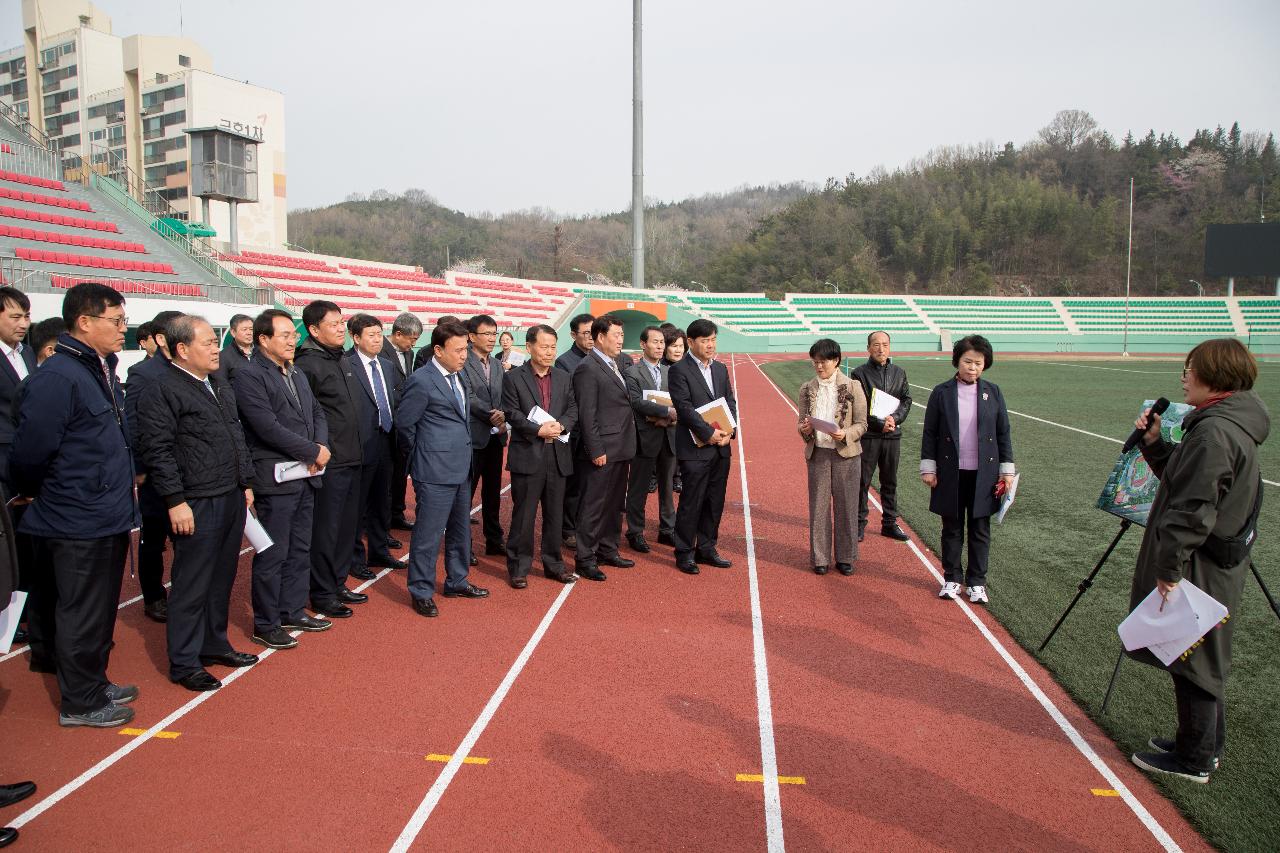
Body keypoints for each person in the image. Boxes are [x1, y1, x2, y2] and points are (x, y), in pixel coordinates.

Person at [1128, 339, 1269, 784]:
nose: (1183, 376)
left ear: (1215, 376)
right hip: (1213, 559)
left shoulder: (1214, 432)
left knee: (1194, 657)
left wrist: (1169, 570)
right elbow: (1184, 482)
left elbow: (1191, 509)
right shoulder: (1223, 424)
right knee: (1196, 653)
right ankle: (1202, 744)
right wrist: (1154, 444)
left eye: (1191, 369)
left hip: (1200, 565)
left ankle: (1195, 758)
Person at [10, 282, 138, 727]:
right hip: (75, 516)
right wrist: (43, 490)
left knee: (99, 608)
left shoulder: (96, 369)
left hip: (105, 512)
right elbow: (30, 452)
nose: (125, 330)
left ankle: (92, 681)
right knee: (80, 610)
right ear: (84, 322)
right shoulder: (59, 377)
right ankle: (80, 702)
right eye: (117, 322)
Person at [136, 316, 257, 692]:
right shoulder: (162, 388)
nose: (215, 348)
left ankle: (214, 643)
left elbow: (236, 434)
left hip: (230, 493)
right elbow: (157, 450)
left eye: (215, 341)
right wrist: (175, 501)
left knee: (221, 577)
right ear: (182, 349)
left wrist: (246, 482)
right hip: (196, 500)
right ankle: (184, 661)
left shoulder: (217, 384)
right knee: (191, 583)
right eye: (207, 342)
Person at [233, 309, 333, 650]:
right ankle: (266, 622)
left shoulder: (297, 372)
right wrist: (311, 450)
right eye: (286, 335)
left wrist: (320, 447)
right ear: (264, 339)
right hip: (276, 478)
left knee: (300, 547)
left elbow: (316, 411)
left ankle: (292, 609)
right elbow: (266, 426)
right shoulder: (249, 376)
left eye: (295, 335)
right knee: (273, 551)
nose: (293, 340)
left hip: (305, 473)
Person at [397, 320, 489, 616]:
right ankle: (421, 590)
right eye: (459, 350)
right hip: (433, 470)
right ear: (438, 350)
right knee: (428, 534)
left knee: (461, 530)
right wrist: (422, 457)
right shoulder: (422, 380)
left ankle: (457, 580)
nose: (464, 355)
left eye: (466, 349)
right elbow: (405, 424)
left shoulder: (458, 376)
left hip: (461, 467)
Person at [919, 334, 1014, 604]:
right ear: (957, 361)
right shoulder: (941, 392)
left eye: (978, 363)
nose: (972, 368)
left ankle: (976, 582)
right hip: (951, 471)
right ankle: (951, 578)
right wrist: (929, 467)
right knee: (951, 527)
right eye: (967, 361)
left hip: (984, 474)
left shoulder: (993, 392)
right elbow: (930, 433)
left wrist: (1006, 470)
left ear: (985, 365)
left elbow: (1003, 433)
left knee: (980, 528)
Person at [295, 300, 368, 619]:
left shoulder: (342, 359)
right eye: (334, 324)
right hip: (330, 461)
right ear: (313, 329)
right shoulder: (308, 364)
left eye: (343, 322)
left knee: (345, 528)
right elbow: (306, 415)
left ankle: (337, 582)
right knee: (325, 530)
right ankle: (321, 591)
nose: (341, 328)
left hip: (354, 457)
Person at [501, 325, 578, 588]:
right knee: (524, 515)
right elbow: (511, 412)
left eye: (553, 347)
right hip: (528, 454)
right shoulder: (513, 378)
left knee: (555, 515)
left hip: (557, 454)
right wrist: (538, 429)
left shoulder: (564, 377)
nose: (549, 352)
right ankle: (519, 567)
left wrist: (561, 426)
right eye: (544, 346)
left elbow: (572, 408)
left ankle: (554, 564)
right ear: (530, 346)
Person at [124, 310, 186, 624]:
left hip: (188, 473)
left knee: (186, 541)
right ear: (163, 338)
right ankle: (153, 597)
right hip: (157, 474)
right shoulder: (143, 374)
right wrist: (141, 467)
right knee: (154, 538)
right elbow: (133, 424)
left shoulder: (190, 370)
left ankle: (185, 595)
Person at [570, 314, 638, 581]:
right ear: (600, 337)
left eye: (622, 336)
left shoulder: (615, 364)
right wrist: (595, 449)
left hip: (621, 446)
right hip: (602, 450)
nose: (621, 340)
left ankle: (608, 549)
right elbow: (587, 414)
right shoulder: (588, 367)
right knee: (593, 505)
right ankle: (585, 558)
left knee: (613, 504)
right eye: (617, 335)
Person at [669, 320, 737, 575]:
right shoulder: (679, 370)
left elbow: (729, 401)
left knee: (714, 501)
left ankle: (707, 548)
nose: (710, 345)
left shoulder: (720, 369)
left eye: (713, 340)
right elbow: (684, 408)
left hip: (721, 447)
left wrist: (729, 431)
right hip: (695, 449)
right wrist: (709, 433)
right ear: (690, 342)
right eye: (705, 340)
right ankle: (684, 552)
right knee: (692, 501)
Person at [798, 338, 868, 575]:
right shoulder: (807, 389)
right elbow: (801, 423)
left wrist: (844, 434)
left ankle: (846, 557)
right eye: (815, 362)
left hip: (846, 456)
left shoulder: (853, 386)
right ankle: (820, 558)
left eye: (823, 361)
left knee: (847, 506)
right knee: (818, 508)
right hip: (818, 453)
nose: (819, 366)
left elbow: (862, 424)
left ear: (836, 360)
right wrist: (805, 430)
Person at [345, 313, 406, 580]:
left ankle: (379, 550)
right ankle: (355, 558)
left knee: (383, 500)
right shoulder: (345, 365)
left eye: (380, 334)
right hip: (360, 444)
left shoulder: (387, 365)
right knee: (358, 507)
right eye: (371, 335)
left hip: (386, 439)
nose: (377, 339)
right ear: (356, 338)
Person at [851, 330, 912, 542]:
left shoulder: (899, 372)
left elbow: (906, 400)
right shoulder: (859, 374)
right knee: (862, 482)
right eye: (876, 345)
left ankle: (889, 523)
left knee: (890, 481)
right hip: (869, 436)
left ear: (890, 347)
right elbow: (859, 407)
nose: (881, 349)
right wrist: (879, 424)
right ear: (868, 348)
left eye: (885, 344)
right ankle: (858, 524)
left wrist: (894, 419)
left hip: (892, 436)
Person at [624, 325, 678, 552]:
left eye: (662, 342)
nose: (659, 346)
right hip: (644, 437)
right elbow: (636, 402)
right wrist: (665, 412)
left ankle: (667, 530)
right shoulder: (632, 373)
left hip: (669, 436)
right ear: (643, 344)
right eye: (655, 342)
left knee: (667, 487)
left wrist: (672, 415)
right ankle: (635, 532)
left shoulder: (670, 372)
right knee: (638, 487)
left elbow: (680, 401)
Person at [463, 314, 507, 558]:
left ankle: (494, 539)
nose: (492, 339)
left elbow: (504, 397)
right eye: (486, 334)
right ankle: (464, 543)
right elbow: (467, 397)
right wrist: (493, 414)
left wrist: (504, 415)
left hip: (495, 438)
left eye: (494, 334)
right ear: (471, 337)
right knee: (466, 493)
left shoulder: (498, 364)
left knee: (492, 493)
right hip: (473, 437)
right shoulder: (463, 361)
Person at [555, 313, 595, 549]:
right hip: (575, 433)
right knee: (573, 484)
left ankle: (583, 525)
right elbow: (568, 399)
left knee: (591, 484)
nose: (591, 338)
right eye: (586, 333)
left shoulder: (600, 359)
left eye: (594, 333)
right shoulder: (565, 362)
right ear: (573, 334)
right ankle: (568, 529)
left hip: (595, 432)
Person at [382, 312, 422, 530]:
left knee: (400, 471)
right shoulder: (380, 351)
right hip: (387, 420)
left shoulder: (408, 354)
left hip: (403, 420)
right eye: (411, 339)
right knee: (387, 475)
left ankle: (396, 513)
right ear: (398, 334)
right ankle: (384, 518)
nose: (413, 344)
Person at [0, 287, 34, 492]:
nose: (23, 324)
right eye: (15, 317)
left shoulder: (27, 353)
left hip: (28, 458)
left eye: (27, 317)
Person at [662, 328, 687, 494]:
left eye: (681, 346)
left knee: (681, 447)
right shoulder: (659, 367)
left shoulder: (688, 367)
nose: (678, 349)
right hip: (662, 416)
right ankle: (656, 475)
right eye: (673, 346)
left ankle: (678, 477)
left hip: (684, 417)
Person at [218, 313, 254, 383]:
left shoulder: (262, 352)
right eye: (244, 329)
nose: (249, 333)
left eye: (251, 329)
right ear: (233, 332)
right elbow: (222, 385)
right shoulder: (223, 357)